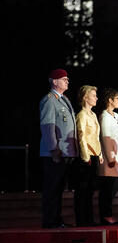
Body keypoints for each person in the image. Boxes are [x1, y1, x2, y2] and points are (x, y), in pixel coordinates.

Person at [40, 69, 78, 228]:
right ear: (54, 81)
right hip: (55, 153)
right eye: (63, 79)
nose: (67, 81)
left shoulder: (64, 99)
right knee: (52, 188)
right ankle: (50, 220)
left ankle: (56, 219)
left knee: (59, 189)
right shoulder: (50, 100)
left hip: (66, 152)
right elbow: (48, 127)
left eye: (67, 79)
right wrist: (54, 149)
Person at [75, 85, 103, 227]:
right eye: (93, 95)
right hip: (86, 156)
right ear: (85, 98)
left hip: (94, 155)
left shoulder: (92, 115)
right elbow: (81, 137)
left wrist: (100, 153)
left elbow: (95, 137)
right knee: (83, 189)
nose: (96, 98)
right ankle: (82, 220)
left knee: (91, 189)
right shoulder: (81, 115)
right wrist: (85, 156)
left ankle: (90, 219)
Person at [97, 88, 118, 225]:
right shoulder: (104, 116)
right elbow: (106, 138)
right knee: (108, 189)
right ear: (110, 100)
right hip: (111, 159)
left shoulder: (116, 116)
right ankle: (105, 216)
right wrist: (111, 157)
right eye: (117, 98)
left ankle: (108, 214)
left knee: (114, 188)